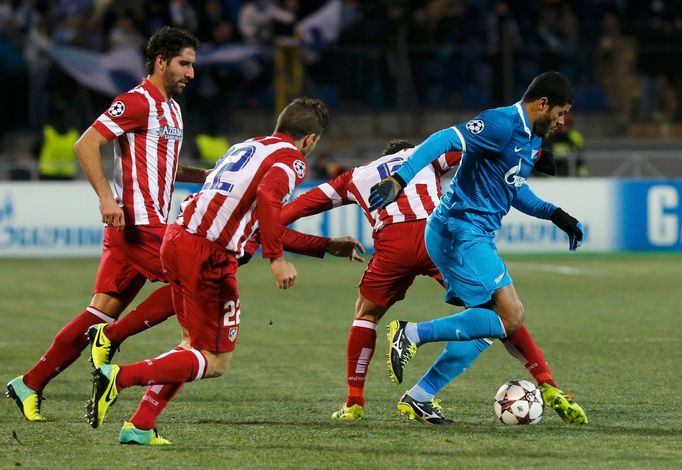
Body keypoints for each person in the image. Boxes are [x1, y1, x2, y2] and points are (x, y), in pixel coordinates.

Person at [85, 97, 363, 445]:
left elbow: (262, 223)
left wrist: (324, 246)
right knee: (215, 360)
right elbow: (267, 197)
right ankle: (119, 377)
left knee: (191, 346)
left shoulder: (244, 147)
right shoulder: (291, 159)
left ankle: (140, 425)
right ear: (309, 140)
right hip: (209, 255)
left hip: (177, 236)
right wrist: (276, 259)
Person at [281, 138, 586, 424]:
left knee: (366, 315)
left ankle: (355, 403)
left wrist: (317, 242)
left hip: (392, 246)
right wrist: (536, 155)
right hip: (436, 238)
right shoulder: (424, 155)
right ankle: (545, 383)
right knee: (496, 315)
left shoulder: (352, 177)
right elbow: (484, 148)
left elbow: (293, 210)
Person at [5, 26, 208, 422]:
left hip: (140, 230)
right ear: (161, 62)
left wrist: (209, 176)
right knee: (196, 279)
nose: (191, 73)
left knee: (97, 313)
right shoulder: (136, 101)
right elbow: (87, 143)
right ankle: (112, 340)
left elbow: (163, 165)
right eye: (184, 64)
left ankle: (30, 382)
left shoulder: (173, 109)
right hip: (138, 226)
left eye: (193, 65)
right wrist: (105, 197)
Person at [368, 71, 587, 424]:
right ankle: (411, 333)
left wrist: (555, 215)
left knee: (489, 327)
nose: (563, 122)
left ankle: (421, 396)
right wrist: (401, 177)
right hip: (458, 230)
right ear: (542, 103)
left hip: (472, 234)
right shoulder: (500, 123)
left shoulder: (531, 139)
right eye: (561, 113)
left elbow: (513, 189)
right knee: (511, 316)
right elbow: (443, 139)